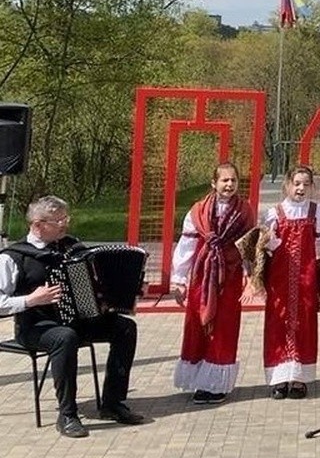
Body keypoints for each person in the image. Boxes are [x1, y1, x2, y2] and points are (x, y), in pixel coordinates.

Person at [0, 196, 142, 437]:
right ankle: (67, 414)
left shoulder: (72, 247)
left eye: (66, 218)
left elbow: (99, 281)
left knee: (125, 328)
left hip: (78, 321)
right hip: (35, 327)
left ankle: (113, 403)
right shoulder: (12, 257)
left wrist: (123, 290)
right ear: (37, 224)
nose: (65, 225)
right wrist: (30, 300)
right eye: (59, 221)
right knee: (65, 337)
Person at [172, 161, 256, 403]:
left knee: (224, 329)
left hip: (228, 277)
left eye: (233, 180)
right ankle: (199, 379)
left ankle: (216, 385)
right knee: (197, 325)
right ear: (214, 183)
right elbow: (187, 245)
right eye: (224, 180)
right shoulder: (198, 211)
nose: (229, 184)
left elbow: (249, 249)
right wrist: (179, 280)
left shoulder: (245, 211)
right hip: (202, 276)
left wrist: (251, 280)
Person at [260, 165, 320, 399]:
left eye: (306, 184)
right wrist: (267, 242)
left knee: (303, 325)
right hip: (280, 279)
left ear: (312, 187)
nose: (301, 188)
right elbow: (265, 243)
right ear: (287, 185)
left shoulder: (316, 211)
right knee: (278, 322)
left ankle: (298, 378)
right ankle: (278, 378)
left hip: (305, 278)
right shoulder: (275, 212)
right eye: (296, 183)